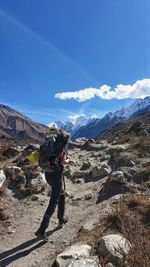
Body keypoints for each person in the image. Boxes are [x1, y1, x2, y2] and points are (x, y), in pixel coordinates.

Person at [35, 130, 70, 242]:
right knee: (53, 202)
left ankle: (61, 218)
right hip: (56, 175)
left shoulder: (49, 144)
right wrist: (68, 160)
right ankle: (41, 230)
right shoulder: (62, 147)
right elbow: (64, 162)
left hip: (47, 174)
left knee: (62, 195)